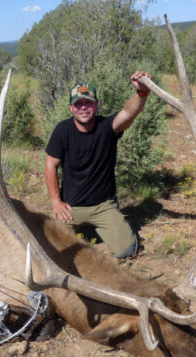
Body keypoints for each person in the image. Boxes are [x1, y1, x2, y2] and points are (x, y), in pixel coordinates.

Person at [44, 72, 151, 258]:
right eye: (78, 104)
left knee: (128, 251)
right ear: (71, 108)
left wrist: (141, 93)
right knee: (53, 251)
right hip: (71, 208)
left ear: (96, 105)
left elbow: (129, 112)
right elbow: (50, 165)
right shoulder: (62, 130)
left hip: (103, 206)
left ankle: (101, 228)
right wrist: (56, 202)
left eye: (88, 103)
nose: (83, 108)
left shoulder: (108, 127)